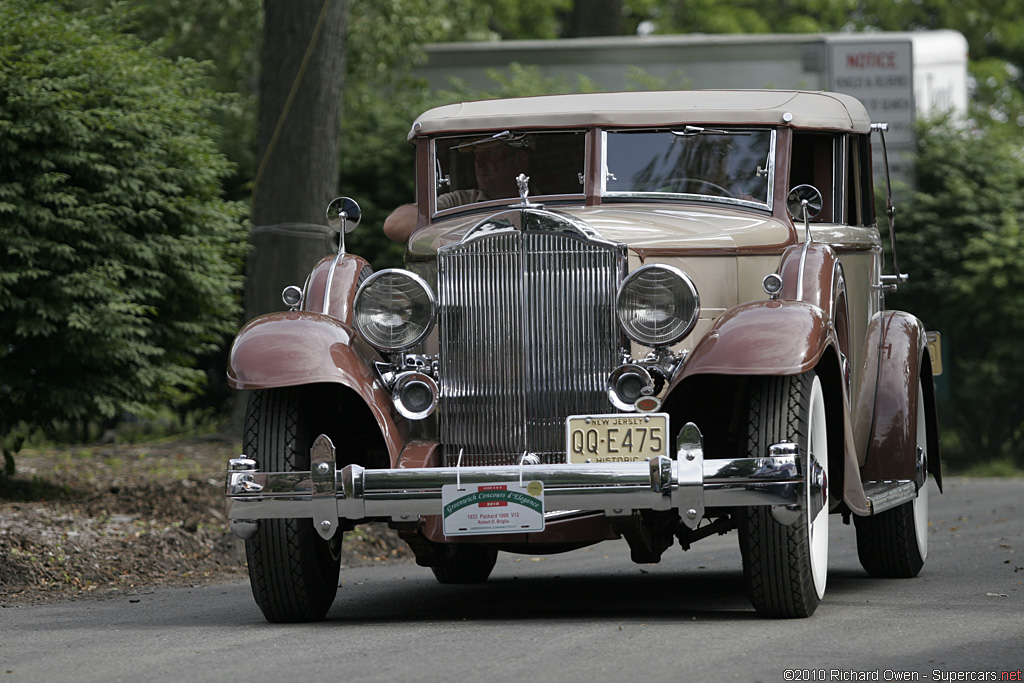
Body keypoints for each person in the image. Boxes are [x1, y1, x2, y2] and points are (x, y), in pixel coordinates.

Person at [383, 142, 529, 242]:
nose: (479, 163)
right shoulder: (461, 201)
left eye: (489, 154)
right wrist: (440, 236)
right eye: (477, 155)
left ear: (518, 160)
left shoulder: (546, 201)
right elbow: (394, 226)